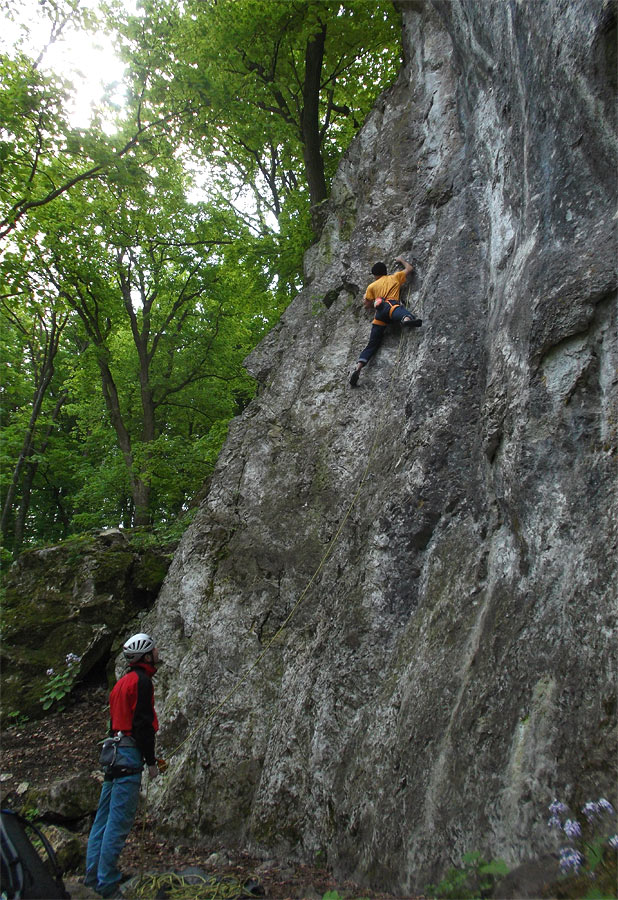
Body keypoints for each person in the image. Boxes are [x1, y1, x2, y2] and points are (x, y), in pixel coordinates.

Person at [85, 633, 161, 898]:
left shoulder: (121, 683)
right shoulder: (142, 682)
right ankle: (107, 883)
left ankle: (93, 875)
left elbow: (115, 721)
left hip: (113, 753)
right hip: (129, 755)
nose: (158, 653)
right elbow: (142, 724)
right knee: (118, 821)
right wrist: (151, 762)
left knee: (103, 820)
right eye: (154, 650)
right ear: (146, 656)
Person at [349, 256, 422, 386]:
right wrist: (401, 260)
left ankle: (358, 367)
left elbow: (366, 304)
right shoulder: (394, 277)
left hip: (379, 314)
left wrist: (370, 302)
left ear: (374, 274)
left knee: (372, 344)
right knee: (403, 313)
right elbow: (410, 268)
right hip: (391, 307)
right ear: (385, 271)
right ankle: (406, 320)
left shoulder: (372, 286)